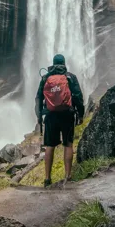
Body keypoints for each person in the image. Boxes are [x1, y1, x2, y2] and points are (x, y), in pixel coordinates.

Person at [36, 54, 84, 187]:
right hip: (67, 115)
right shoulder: (70, 77)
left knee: (50, 146)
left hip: (50, 115)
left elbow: (39, 98)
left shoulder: (45, 78)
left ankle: (47, 179)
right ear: (64, 63)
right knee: (68, 144)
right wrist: (80, 114)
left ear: (53, 63)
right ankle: (68, 177)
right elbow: (78, 96)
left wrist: (39, 117)